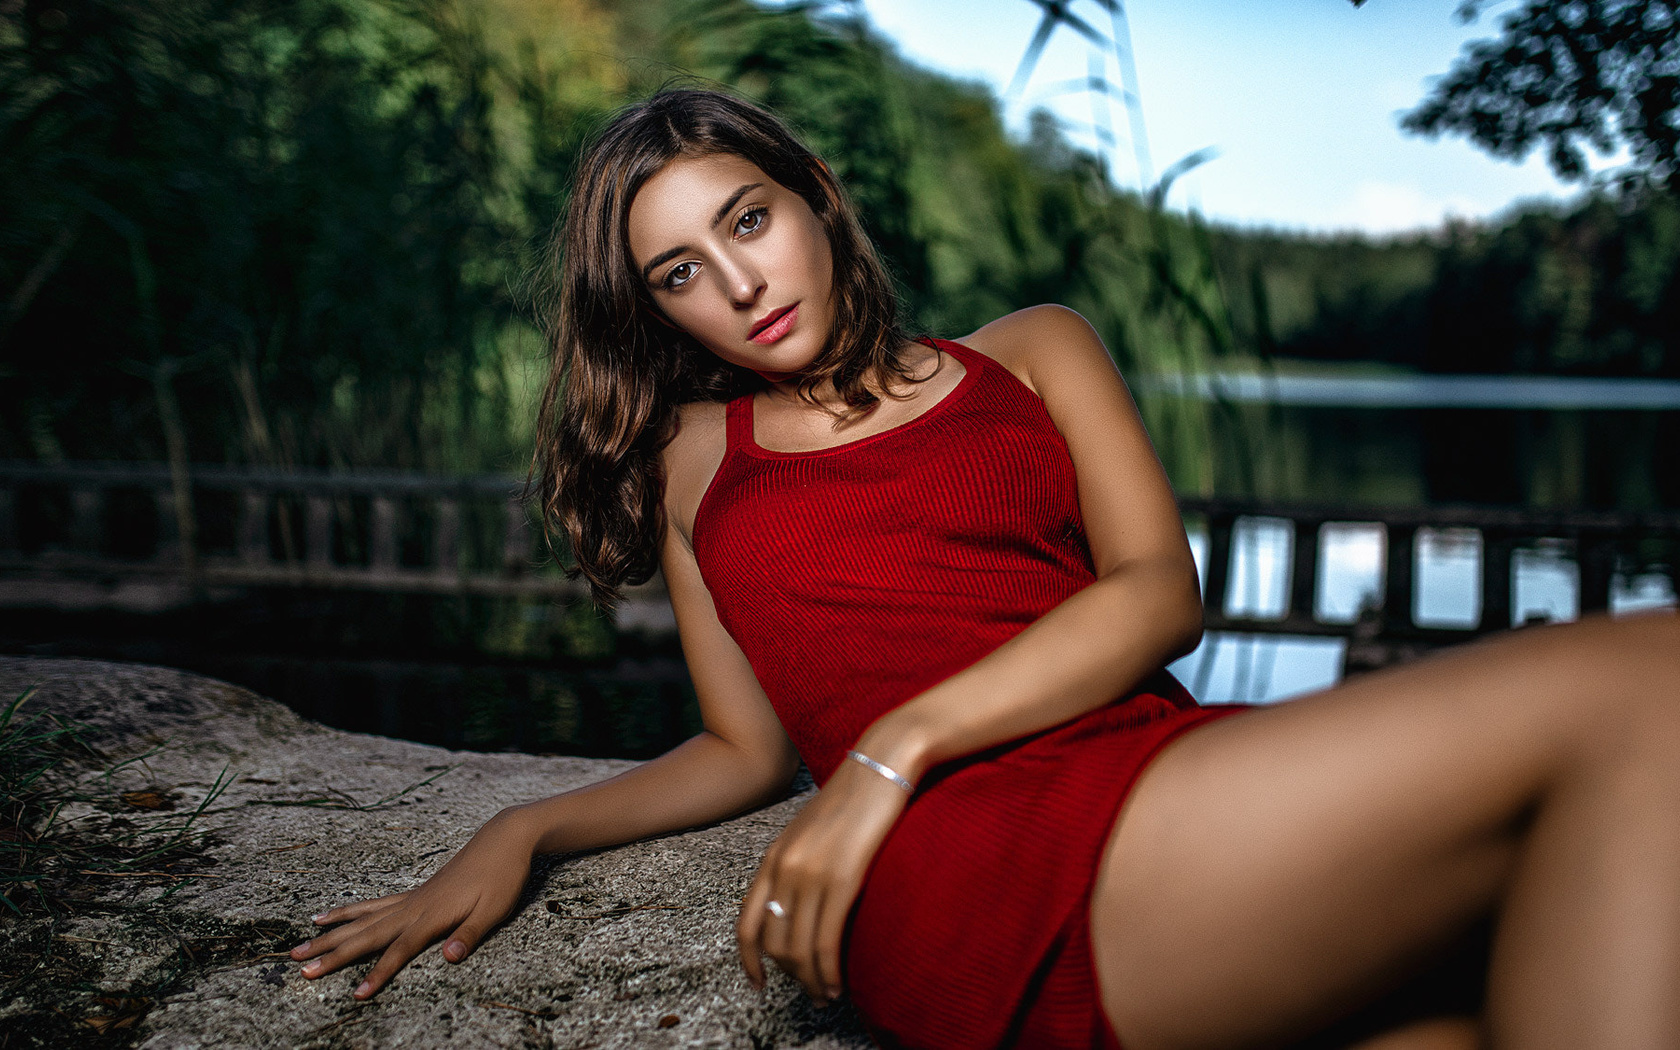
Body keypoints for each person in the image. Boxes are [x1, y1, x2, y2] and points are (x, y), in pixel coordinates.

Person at [290, 88, 1680, 1050]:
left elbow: (1157, 594)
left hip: (1158, 783)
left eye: (749, 219)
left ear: (819, 200)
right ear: (654, 309)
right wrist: (525, 825)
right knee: (1657, 672)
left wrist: (893, 744)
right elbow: (739, 747)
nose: (736, 280)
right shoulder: (695, 456)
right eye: (678, 272)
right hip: (958, 857)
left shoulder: (1032, 349)